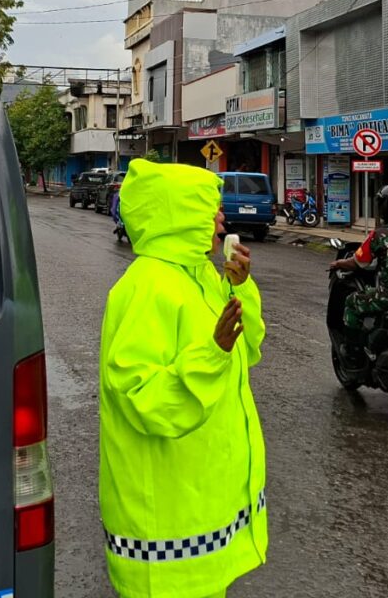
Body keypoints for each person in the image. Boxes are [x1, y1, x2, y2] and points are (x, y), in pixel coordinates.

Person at [98, 159, 267, 598]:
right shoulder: (146, 287)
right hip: (166, 527)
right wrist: (211, 353)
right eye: (209, 209)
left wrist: (238, 286)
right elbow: (142, 398)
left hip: (201, 509)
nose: (221, 219)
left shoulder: (200, 277)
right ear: (179, 214)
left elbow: (245, 352)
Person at [328, 183, 388, 352]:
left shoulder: (381, 234)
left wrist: (338, 263)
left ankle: (352, 352)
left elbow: (358, 262)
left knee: (351, 303)